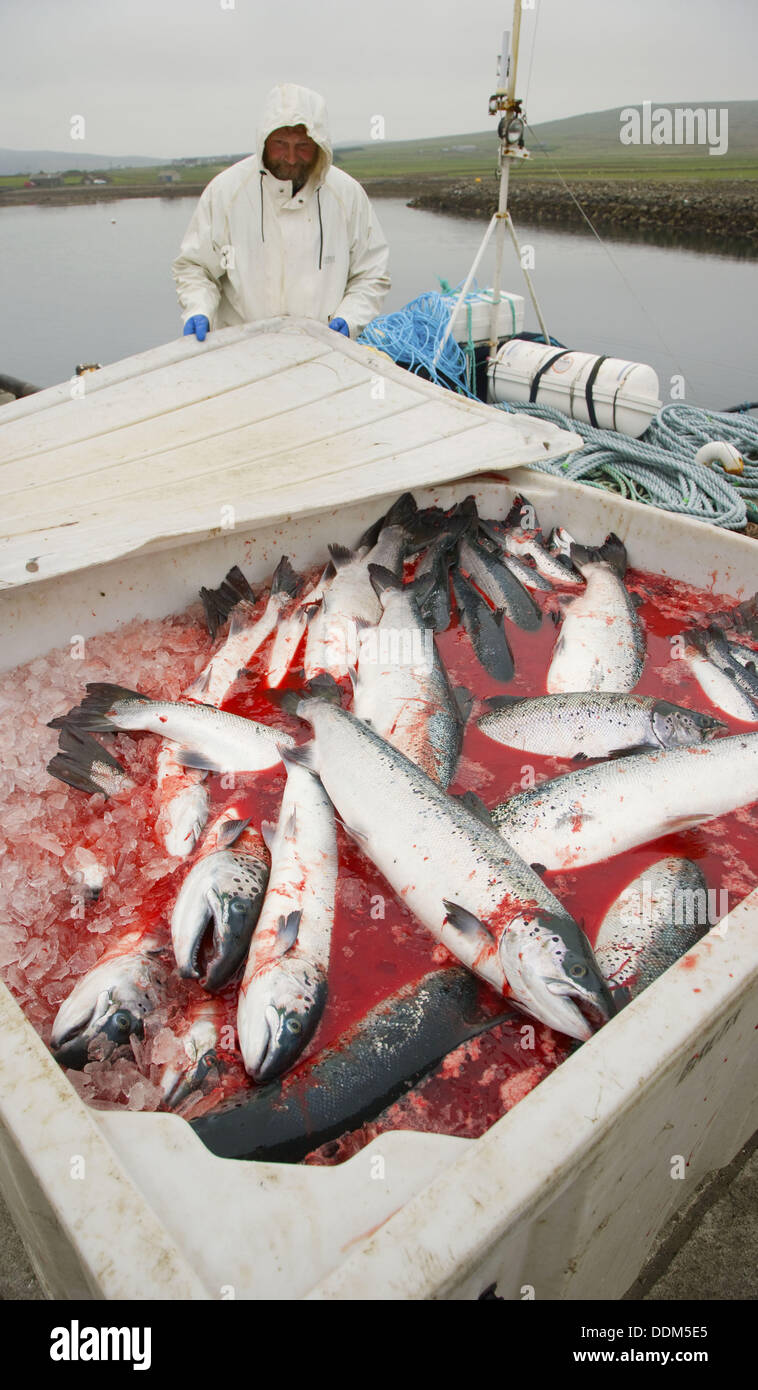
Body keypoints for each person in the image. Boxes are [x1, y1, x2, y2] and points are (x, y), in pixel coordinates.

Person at [173, 83, 390, 342]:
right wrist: (199, 309)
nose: (290, 157)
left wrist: (350, 318)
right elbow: (197, 267)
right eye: (279, 144)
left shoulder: (347, 195)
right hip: (241, 352)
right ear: (263, 140)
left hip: (323, 352)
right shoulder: (226, 192)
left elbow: (371, 273)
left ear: (320, 145)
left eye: (302, 146)